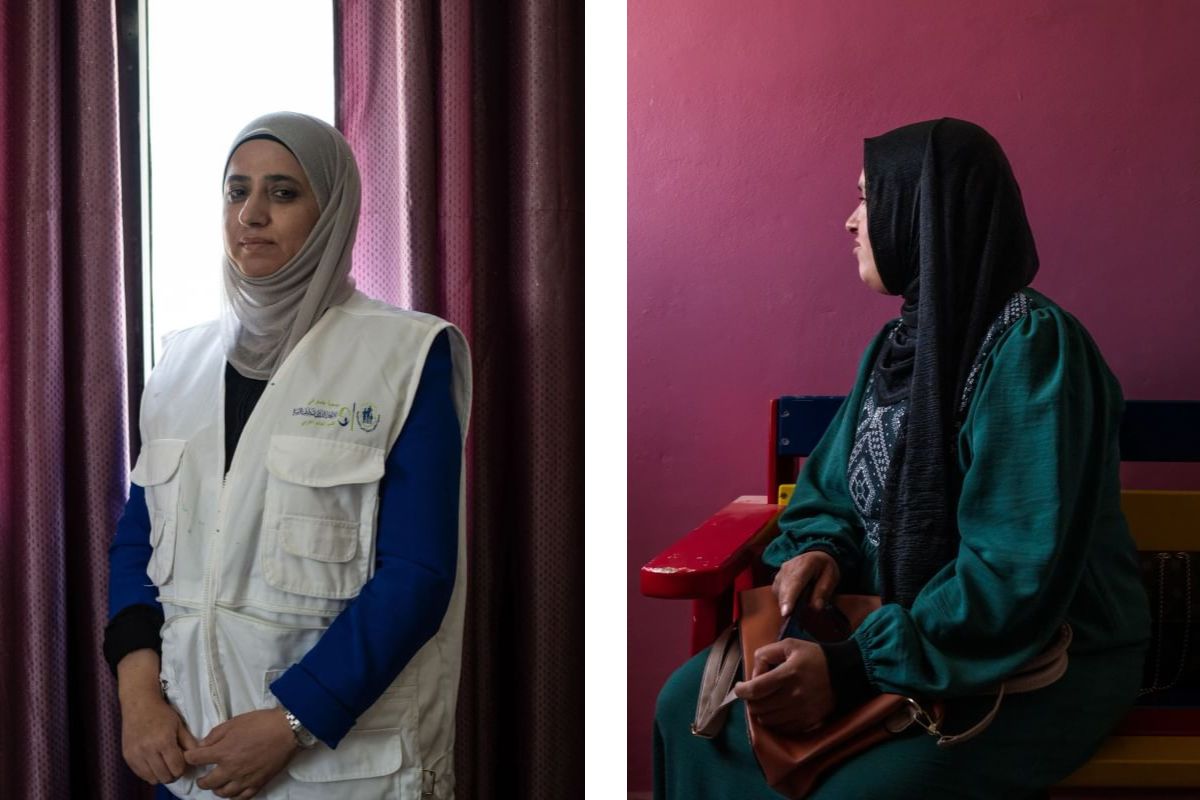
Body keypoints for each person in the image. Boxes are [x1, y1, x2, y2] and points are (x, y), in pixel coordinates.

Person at [653, 118, 1150, 799]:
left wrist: (854, 667)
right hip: (904, 633)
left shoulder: (1032, 349)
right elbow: (830, 491)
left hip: (1039, 658)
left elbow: (1012, 576)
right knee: (687, 707)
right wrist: (822, 549)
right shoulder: (898, 350)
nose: (851, 221)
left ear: (927, 214)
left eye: (869, 198)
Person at [105, 111, 471, 800]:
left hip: (341, 764)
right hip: (191, 753)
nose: (252, 214)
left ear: (331, 211)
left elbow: (417, 576)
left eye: (282, 193)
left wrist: (293, 719)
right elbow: (136, 545)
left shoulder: (406, 355)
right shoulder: (180, 361)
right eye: (236, 191)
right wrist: (138, 694)